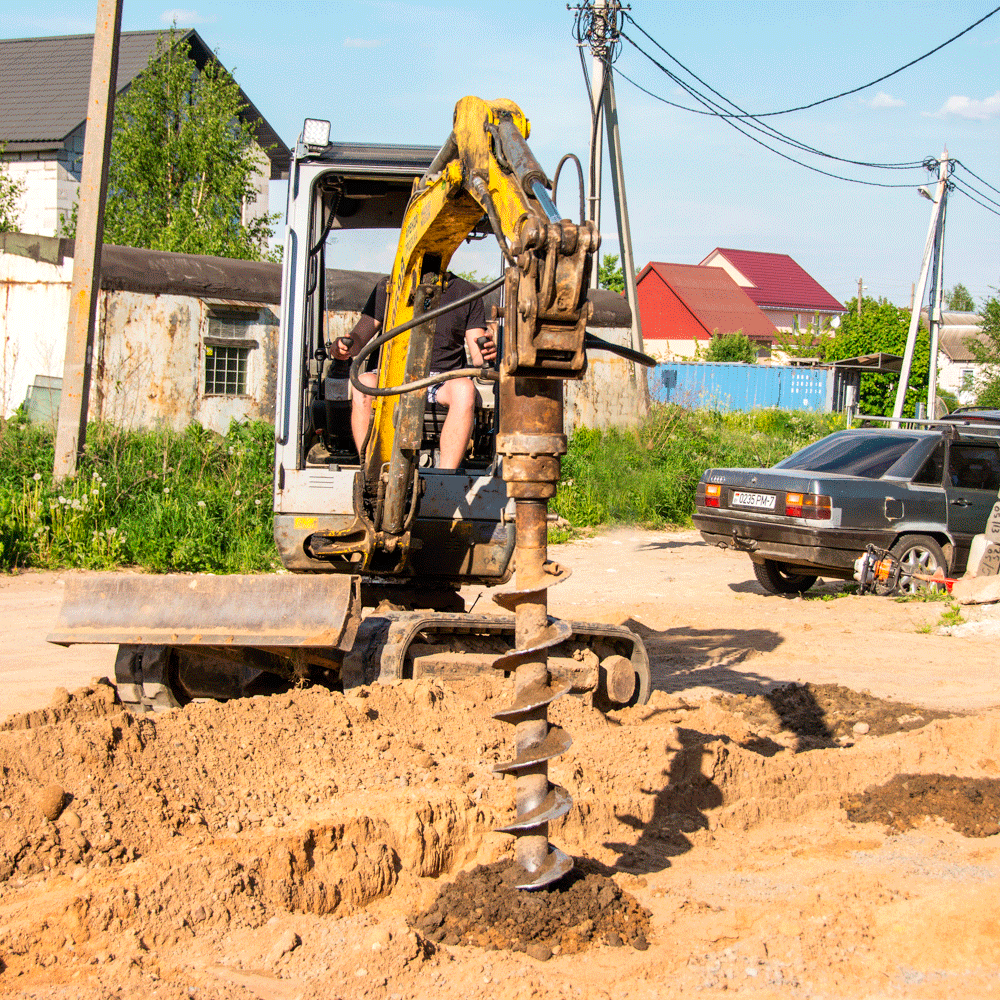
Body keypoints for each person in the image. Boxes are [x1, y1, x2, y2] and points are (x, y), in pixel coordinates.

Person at [332, 272, 496, 469]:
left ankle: (445, 476)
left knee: (465, 389)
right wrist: (344, 346)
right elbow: (359, 338)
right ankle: (370, 468)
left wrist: (488, 350)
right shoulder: (389, 286)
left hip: (440, 378)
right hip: (390, 373)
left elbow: (478, 355)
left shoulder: (467, 293)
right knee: (363, 385)